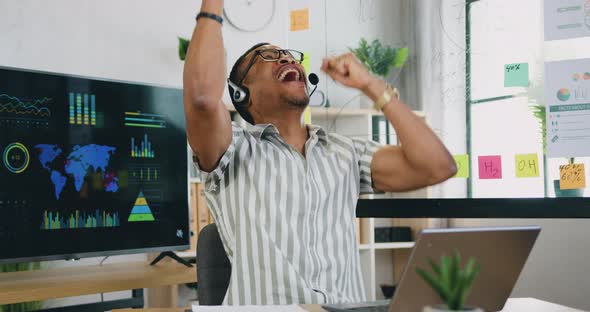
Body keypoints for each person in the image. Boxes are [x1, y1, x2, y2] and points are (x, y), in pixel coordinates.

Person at [183, 0, 457, 306]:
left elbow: (437, 167)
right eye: (269, 56)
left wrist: (369, 84)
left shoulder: (344, 151)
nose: (286, 59)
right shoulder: (231, 150)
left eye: (289, 56)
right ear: (240, 93)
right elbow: (203, 99)